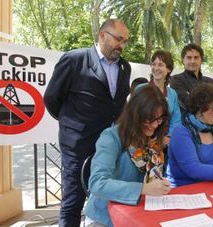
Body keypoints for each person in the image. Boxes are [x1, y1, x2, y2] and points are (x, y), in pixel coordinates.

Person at [43, 19, 131, 226]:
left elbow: (117, 105)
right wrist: (73, 125)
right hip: (78, 145)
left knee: (105, 197)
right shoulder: (74, 60)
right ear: (102, 35)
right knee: (73, 202)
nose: (122, 45)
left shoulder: (125, 67)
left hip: (111, 145)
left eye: (125, 41)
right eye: (119, 39)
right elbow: (51, 99)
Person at [84, 86, 172, 226]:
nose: (154, 125)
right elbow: (97, 183)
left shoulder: (153, 141)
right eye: (149, 119)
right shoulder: (111, 137)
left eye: (159, 119)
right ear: (135, 114)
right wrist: (143, 188)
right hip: (106, 217)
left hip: (141, 213)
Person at [137, 50, 181, 139]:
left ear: (168, 69)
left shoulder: (172, 94)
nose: (156, 68)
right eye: (154, 64)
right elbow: (132, 115)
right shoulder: (140, 89)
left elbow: (176, 120)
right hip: (141, 138)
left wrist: (169, 136)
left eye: (160, 65)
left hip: (164, 140)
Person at [170, 43, 213, 112]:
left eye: (196, 57)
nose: (192, 61)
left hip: (211, 122)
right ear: (183, 60)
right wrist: (210, 101)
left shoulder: (210, 82)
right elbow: (187, 103)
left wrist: (192, 96)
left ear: (201, 60)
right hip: (186, 122)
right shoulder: (176, 80)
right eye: (189, 57)